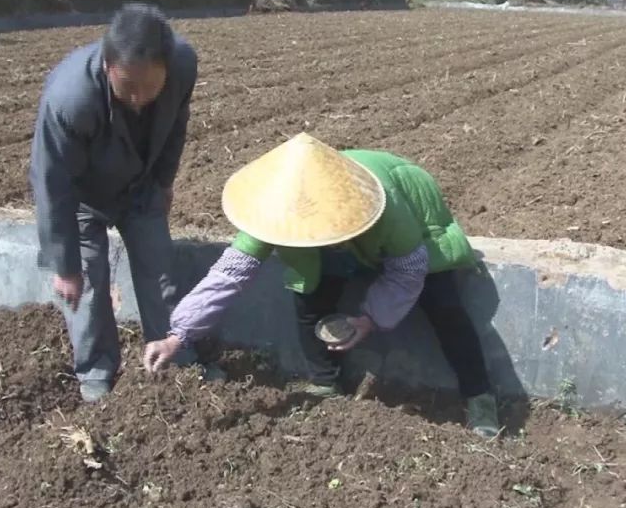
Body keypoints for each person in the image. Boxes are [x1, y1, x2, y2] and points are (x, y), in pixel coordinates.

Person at [142, 132, 502, 437]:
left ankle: (479, 396)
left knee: (444, 304)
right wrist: (179, 335)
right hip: (337, 242)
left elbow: (408, 270)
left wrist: (368, 319)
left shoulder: (386, 207)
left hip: (414, 228)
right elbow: (231, 273)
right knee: (309, 295)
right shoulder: (279, 209)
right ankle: (325, 382)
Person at [29, 3, 221, 403]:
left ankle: (173, 360)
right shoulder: (71, 99)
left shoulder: (183, 66)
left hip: (141, 186)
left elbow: (176, 126)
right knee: (88, 288)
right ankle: (96, 372)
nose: (137, 99)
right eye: (127, 88)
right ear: (106, 65)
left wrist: (165, 182)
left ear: (167, 70)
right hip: (83, 196)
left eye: (148, 89)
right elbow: (52, 183)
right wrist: (64, 264)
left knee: (160, 275)